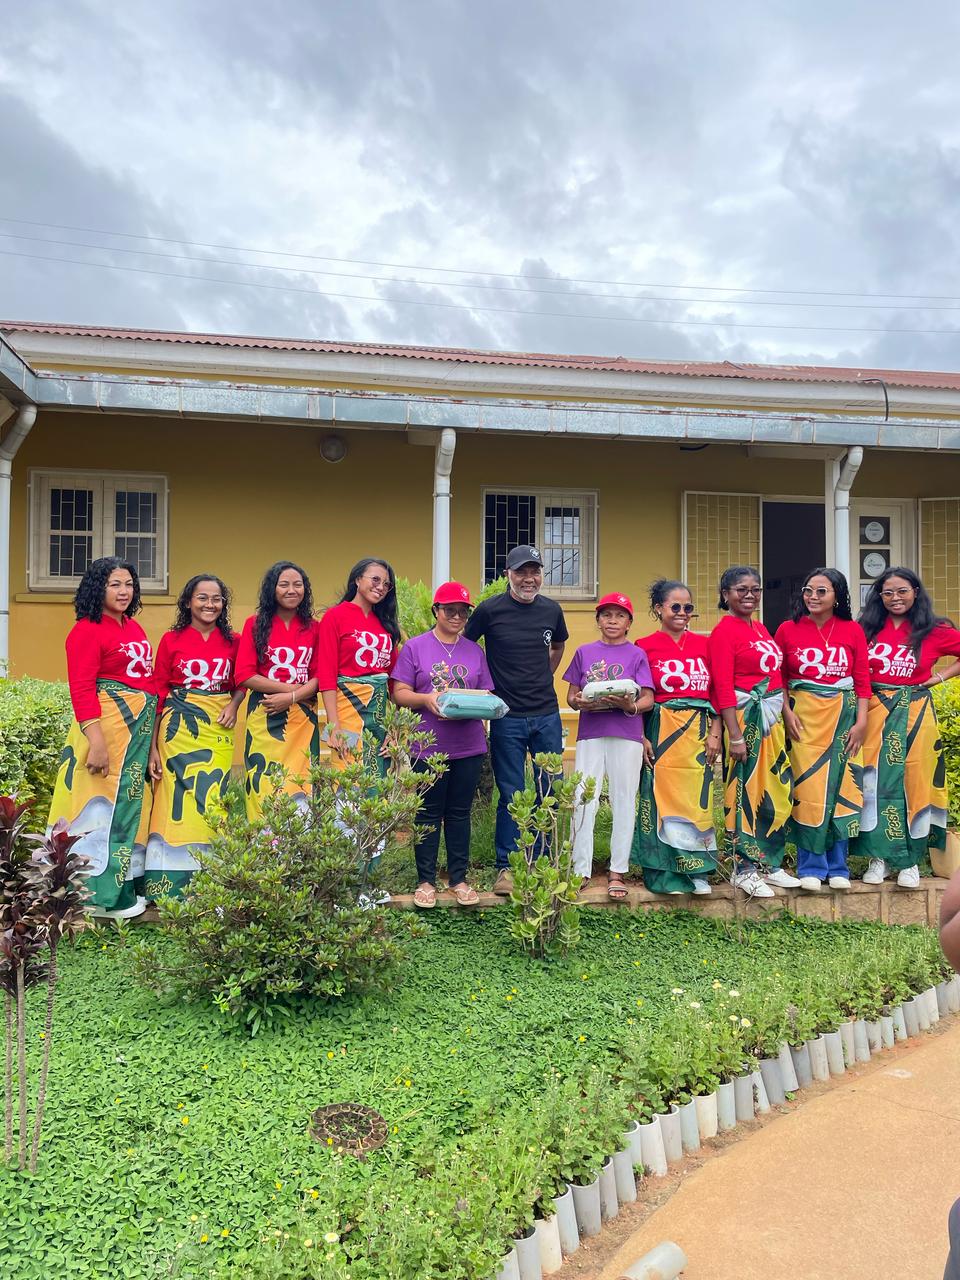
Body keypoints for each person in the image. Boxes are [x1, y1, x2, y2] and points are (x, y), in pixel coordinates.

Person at [46, 556, 156, 918]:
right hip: (106, 732)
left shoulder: (132, 627)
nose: (124, 592)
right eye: (115, 585)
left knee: (127, 809)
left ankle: (122, 886)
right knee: (100, 810)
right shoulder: (86, 630)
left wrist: (151, 743)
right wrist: (95, 740)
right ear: (98, 588)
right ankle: (97, 899)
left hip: (135, 734)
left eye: (129, 584)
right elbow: (81, 689)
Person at [464, 545, 569, 895]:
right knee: (511, 792)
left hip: (547, 715)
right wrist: (483, 692)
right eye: (522, 571)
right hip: (506, 716)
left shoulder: (552, 610)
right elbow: (466, 647)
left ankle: (540, 864)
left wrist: (543, 675)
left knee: (548, 790)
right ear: (508, 574)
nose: (529, 578)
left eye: (535, 571)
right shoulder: (490, 611)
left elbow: (557, 647)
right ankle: (507, 867)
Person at [854, 567, 960, 888]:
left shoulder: (933, 629)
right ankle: (879, 859)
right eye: (887, 593)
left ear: (915, 591)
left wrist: (940, 677)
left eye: (902, 591)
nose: (895, 598)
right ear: (879, 596)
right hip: (875, 713)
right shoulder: (867, 628)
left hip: (916, 712)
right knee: (875, 783)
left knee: (916, 782)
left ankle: (910, 863)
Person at [392, 582, 493, 907]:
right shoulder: (416, 648)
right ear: (436, 611)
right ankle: (425, 880)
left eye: (462, 611)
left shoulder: (474, 651)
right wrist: (427, 699)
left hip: (468, 744)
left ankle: (459, 878)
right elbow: (399, 692)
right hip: (427, 745)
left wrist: (477, 704)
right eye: (449, 609)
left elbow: (486, 693)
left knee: (460, 813)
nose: (456, 615)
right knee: (428, 812)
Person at [144, 575, 243, 899]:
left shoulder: (235, 641)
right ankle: (168, 883)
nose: (209, 604)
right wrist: (153, 748)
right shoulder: (171, 640)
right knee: (174, 796)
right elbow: (159, 692)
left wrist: (234, 703)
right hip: (178, 728)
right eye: (202, 598)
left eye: (216, 598)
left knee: (214, 793)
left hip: (218, 725)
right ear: (188, 602)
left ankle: (214, 880)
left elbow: (244, 678)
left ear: (223, 604)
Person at [774, 568, 869, 892]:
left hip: (843, 719)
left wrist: (861, 721)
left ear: (837, 596)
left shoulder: (852, 630)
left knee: (842, 789)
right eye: (808, 590)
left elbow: (862, 681)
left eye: (821, 591)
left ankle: (838, 866)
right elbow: (779, 678)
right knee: (809, 791)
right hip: (804, 719)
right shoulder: (788, 630)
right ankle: (811, 866)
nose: (813, 597)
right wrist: (786, 712)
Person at [708, 565, 798, 899]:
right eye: (741, 589)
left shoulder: (760, 628)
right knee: (743, 791)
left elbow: (775, 677)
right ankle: (742, 867)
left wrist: (785, 712)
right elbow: (722, 686)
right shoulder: (724, 632)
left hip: (770, 722)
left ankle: (770, 863)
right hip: (744, 721)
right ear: (725, 594)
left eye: (755, 589)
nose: (749, 595)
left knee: (773, 787)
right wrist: (733, 733)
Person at [632, 579, 720, 896]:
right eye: (675, 607)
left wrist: (715, 732)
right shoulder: (643, 646)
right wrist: (640, 737)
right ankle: (663, 875)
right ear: (659, 609)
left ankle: (698, 872)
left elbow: (716, 693)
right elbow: (640, 695)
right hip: (661, 731)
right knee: (659, 803)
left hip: (698, 734)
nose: (683, 613)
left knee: (697, 804)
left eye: (688, 608)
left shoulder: (705, 645)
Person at [563, 592, 653, 898]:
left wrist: (629, 706)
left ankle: (618, 871)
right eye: (606, 615)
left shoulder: (636, 654)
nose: (612, 620)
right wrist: (580, 702)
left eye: (619, 615)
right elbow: (572, 696)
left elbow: (648, 699)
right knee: (582, 796)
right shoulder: (584, 652)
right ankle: (580, 869)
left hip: (626, 733)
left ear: (629, 622)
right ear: (598, 620)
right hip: (591, 732)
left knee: (624, 799)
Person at [235, 561, 320, 820]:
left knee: (301, 783)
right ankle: (264, 852)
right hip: (265, 713)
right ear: (272, 589)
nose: (291, 590)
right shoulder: (255, 623)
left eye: (298, 584)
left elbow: (321, 675)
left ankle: (298, 854)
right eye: (284, 584)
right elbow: (244, 674)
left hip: (304, 720)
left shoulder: (314, 627)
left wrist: (293, 697)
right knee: (265, 783)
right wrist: (289, 690)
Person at [317, 557, 400, 775]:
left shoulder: (386, 623)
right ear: (357, 579)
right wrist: (333, 726)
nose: (381, 587)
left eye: (386, 584)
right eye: (375, 579)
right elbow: (326, 675)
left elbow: (395, 682)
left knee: (378, 779)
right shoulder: (335, 616)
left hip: (380, 714)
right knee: (349, 779)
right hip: (347, 711)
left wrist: (395, 729)